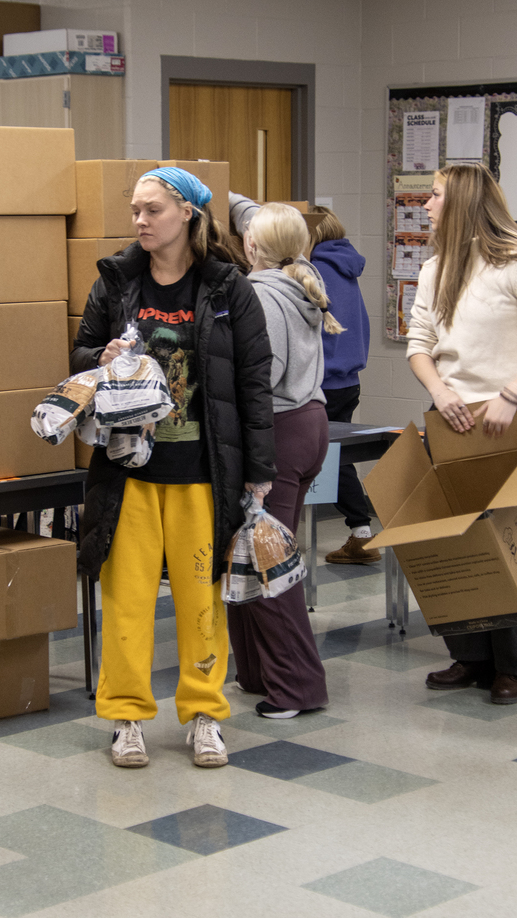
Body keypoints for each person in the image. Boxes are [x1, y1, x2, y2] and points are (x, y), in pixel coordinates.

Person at [71, 168, 275, 768]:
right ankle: (127, 717)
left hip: (203, 473)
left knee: (201, 600)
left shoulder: (228, 287)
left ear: (187, 213)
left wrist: (259, 469)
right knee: (127, 598)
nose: (139, 220)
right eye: (135, 210)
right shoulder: (115, 280)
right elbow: (79, 352)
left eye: (152, 210)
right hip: (128, 471)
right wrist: (99, 355)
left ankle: (205, 715)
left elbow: (253, 382)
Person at [406, 162, 517, 704]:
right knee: (453, 540)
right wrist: (440, 391)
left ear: (461, 203)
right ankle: (470, 657)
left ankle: (515, 665)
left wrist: (511, 393)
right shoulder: (436, 268)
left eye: (433, 196)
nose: (425, 206)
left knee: (516, 541)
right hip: (454, 422)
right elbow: (419, 344)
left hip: (516, 422)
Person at [227, 198, 340, 718]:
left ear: (251, 245)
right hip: (309, 422)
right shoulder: (302, 281)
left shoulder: (258, 295)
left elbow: (261, 377)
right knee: (250, 555)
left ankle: (297, 687)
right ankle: (257, 673)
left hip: (274, 430)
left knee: (269, 562)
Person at [307, 206, 380, 565]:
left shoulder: (313, 270)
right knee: (335, 457)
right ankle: (361, 531)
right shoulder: (346, 268)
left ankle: (362, 533)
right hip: (347, 380)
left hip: (320, 383)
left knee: (326, 460)